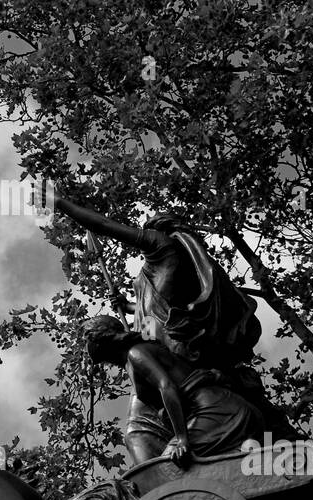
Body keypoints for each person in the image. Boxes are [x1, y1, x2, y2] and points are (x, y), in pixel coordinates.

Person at [54, 195, 298, 441]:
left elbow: (105, 226)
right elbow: (153, 310)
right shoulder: (156, 271)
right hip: (167, 343)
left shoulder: (161, 246)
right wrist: (128, 306)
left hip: (177, 346)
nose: (143, 236)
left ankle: (192, 437)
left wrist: (62, 204)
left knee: (152, 417)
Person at [82, 315, 264, 466]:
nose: (106, 363)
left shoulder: (136, 353)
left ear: (105, 344)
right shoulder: (136, 355)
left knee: (164, 468)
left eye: (103, 358)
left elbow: (167, 387)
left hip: (217, 411)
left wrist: (182, 439)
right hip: (209, 409)